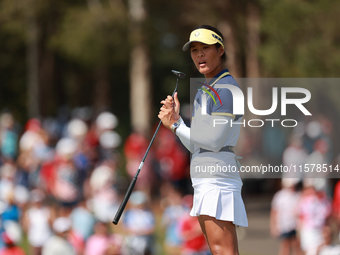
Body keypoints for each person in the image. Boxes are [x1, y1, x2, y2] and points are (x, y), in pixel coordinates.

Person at [158, 25, 248, 255]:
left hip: (216, 177)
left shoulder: (225, 89)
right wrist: (178, 124)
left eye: (205, 48)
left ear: (220, 51)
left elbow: (214, 141)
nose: (199, 54)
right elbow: (197, 145)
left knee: (223, 251)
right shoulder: (206, 90)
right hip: (206, 176)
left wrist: (177, 125)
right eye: (194, 49)